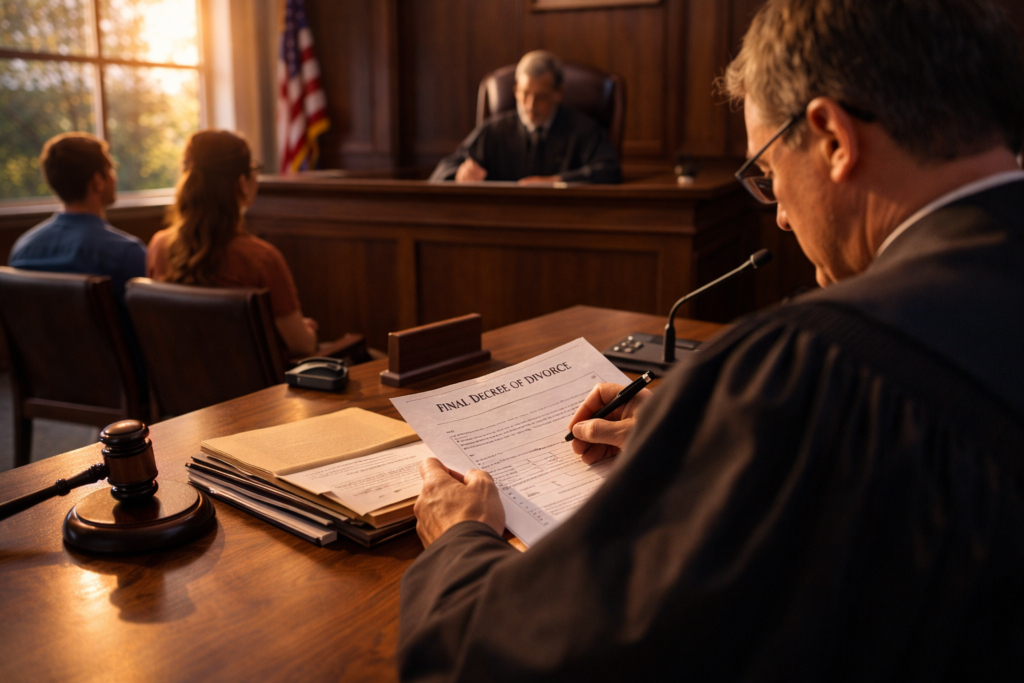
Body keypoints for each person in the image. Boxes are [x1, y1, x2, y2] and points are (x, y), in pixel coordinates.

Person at [398, 0, 1024, 680]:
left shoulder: (816, 374)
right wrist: (710, 435)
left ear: (833, 138)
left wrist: (458, 541)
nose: (780, 215)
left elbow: (496, 658)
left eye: (769, 172)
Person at [147, 130, 319, 357]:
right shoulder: (262, 259)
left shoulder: (159, 246)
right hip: (260, 393)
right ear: (241, 183)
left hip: (182, 390)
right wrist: (308, 329)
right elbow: (302, 346)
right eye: (254, 168)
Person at [430, 50, 621, 185]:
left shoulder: (583, 129)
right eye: (524, 94)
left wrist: (556, 182)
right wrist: (459, 174)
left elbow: (609, 171)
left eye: (541, 97)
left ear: (558, 93)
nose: (530, 105)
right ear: (515, 91)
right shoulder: (495, 130)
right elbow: (442, 170)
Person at [8, 133, 146, 303]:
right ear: (97, 182)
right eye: (110, 169)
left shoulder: (23, 249)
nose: (114, 177)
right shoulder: (126, 254)